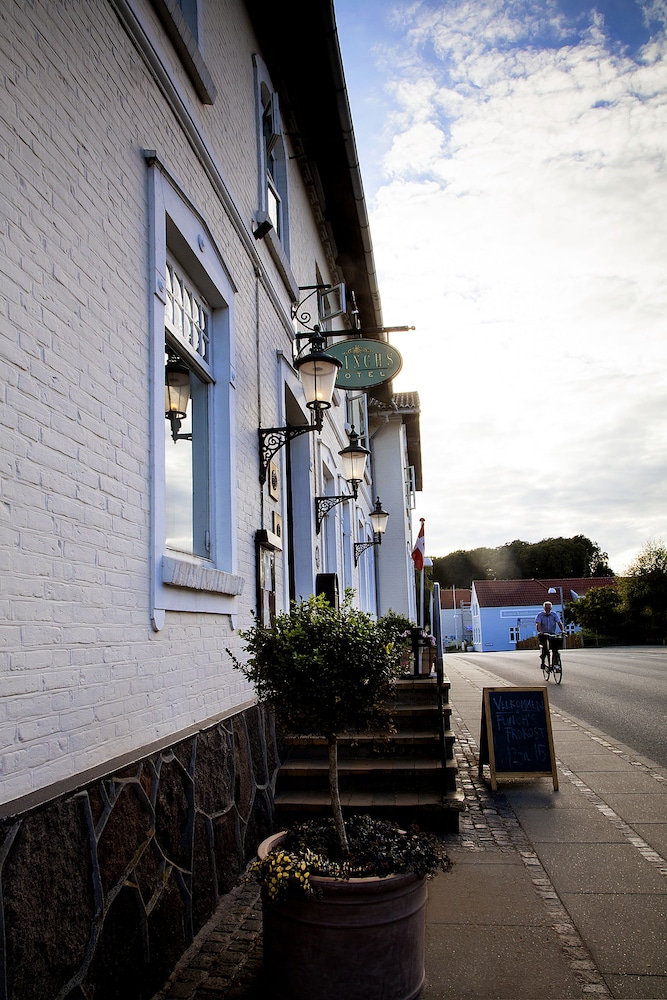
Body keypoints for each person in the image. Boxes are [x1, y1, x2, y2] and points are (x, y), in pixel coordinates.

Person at [535, 601, 565, 666]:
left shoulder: (554, 615)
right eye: (546, 608)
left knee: (555, 648)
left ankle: (555, 662)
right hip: (543, 634)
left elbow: (559, 623)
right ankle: (543, 661)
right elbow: (538, 624)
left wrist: (562, 630)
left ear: (551, 608)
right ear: (544, 608)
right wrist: (540, 631)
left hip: (552, 633)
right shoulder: (540, 615)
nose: (548, 609)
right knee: (545, 648)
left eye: (549, 608)